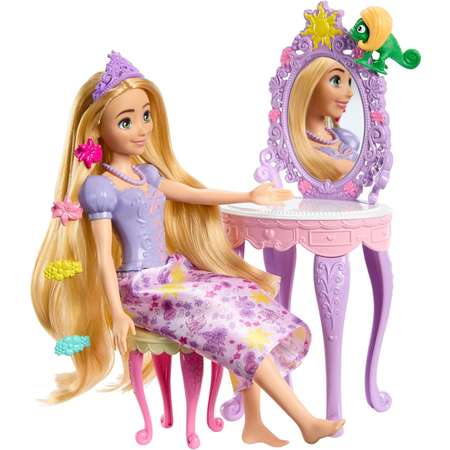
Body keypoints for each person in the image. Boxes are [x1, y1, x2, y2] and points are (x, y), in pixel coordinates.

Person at [31, 51, 344, 446]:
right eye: (126, 121)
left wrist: (248, 194)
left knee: (243, 295)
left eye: (146, 115)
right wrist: (116, 312)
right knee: (225, 316)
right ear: (97, 129)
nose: (142, 129)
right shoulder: (99, 188)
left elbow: (193, 194)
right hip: (141, 289)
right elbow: (103, 260)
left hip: (171, 275)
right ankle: (305, 421)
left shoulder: (146, 174)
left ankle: (255, 423)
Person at [289, 57, 360, 182]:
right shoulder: (299, 149)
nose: (350, 93)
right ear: (309, 85)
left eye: (349, 82)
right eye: (336, 81)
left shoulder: (343, 137)